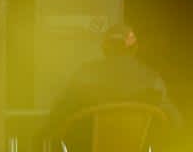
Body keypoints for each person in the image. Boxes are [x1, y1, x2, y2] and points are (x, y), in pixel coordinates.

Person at [47, 25, 181, 138]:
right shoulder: (152, 79)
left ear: (105, 48)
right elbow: (176, 124)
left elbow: (58, 115)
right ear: (135, 48)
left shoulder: (85, 74)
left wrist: (41, 134)